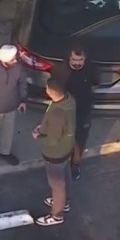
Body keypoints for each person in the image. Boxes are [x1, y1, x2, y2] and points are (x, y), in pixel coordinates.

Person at [32, 77, 76, 226]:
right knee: (65, 174)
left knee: (57, 184)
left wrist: (39, 136)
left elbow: (53, 140)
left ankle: (57, 214)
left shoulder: (57, 113)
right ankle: (64, 202)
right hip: (66, 148)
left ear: (50, 91)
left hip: (55, 153)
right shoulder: (68, 100)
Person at [52, 46, 98, 181]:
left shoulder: (91, 69)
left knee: (79, 140)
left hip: (83, 111)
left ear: (85, 59)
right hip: (64, 111)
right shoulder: (60, 69)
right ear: (69, 58)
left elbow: (96, 83)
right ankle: (61, 163)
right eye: (74, 59)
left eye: (80, 60)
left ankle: (75, 165)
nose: (77, 63)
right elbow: (54, 87)